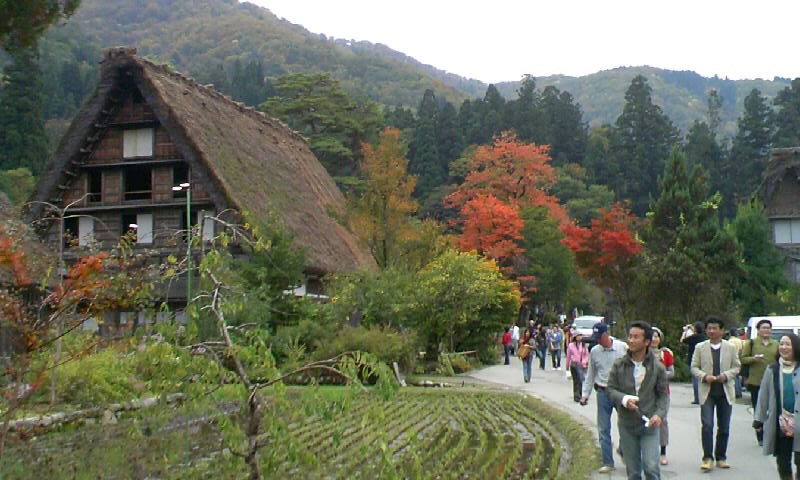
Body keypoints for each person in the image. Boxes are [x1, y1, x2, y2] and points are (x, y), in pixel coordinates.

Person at [607, 321, 668, 480]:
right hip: (627, 424)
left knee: (651, 467)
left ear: (646, 342)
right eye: (630, 336)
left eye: (636, 337)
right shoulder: (619, 365)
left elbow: (663, 396)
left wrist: (659, 415)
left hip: (649, 424)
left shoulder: (657, 367)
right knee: (633, 471)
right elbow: (610, 389)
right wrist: (624, 399)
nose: (631, 340)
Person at [691, 315, 741, 471]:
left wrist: (726, 375)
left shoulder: (730, 348)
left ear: (722, 330)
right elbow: (693, 367)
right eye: (709, 328)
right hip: (707, 392)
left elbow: (737, 367)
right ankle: (707, 458)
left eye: (715, 328)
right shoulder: (700, 347)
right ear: (706, 330)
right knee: (707, 425)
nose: (711, 331)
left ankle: (721, 456)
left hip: (725, 391)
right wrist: (705, 377)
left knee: (724, 426)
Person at [580, 322, 628, 474]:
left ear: (607, 334)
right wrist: (585, 394)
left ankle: (624, 449)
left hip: (620, 392)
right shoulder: (595, 351)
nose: (598, 341)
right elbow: (590, 374)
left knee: (626, 425)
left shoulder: (622, 348)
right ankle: (608, 461)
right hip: (603, 391)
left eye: (599, 337)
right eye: (596, 339)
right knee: (603, 428)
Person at [754, 333, 800, 480]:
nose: (784, 347)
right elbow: (763, 395)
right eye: (781, 344)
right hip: (781, 423)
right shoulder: (772, 369)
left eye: (788, 344)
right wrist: (759, 419)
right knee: (783, 460)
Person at [742, 319, 780, 446]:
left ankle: (771, 435)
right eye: (763, 328)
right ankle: (760, 435)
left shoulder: (776, 344)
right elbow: (743, 359)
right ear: (758, 330)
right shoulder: (751, 343)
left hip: (773, 381)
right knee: (759, 409)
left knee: (773, 409)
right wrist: (753, 359)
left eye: (768, 328)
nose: (766, 330)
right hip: (756, 381)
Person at [651, 327, 674, 466]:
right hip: (646, 392)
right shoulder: (642, 353)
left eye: (656, 336)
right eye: (651, 336)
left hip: (663, 392)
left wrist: (659, 375)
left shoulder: (666, 354)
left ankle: (663, 451)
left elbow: (671, 372)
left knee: (662, 421)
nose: (654, 339)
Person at [682, 321, 707, 404]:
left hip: (693, 359)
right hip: (703, 360)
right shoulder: (704, 337)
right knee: (702, 378)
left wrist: (685, 331)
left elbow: (682, 340)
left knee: (695, 379)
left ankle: (697, 398)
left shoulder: (693, 338)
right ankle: (704, 396)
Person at [566, 332, 589, 402]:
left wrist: (584, 362)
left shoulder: (584, 345)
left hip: (581, 365)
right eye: (578, 336)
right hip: (574, 364)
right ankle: (576, 396)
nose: (579, 337)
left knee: (581, 380)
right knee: (576, 380)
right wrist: (567, 365)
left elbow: (586, 355)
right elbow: (568, 356)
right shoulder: (571, 345)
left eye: (580, 336)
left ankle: (580, 394)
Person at [727, 328, 744, 399]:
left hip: (732, 359)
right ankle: (739, 391)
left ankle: (737, 392)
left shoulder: (729, 341)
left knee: (734, 377)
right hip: (740, 359)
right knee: (738, 376)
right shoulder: (740, 341)